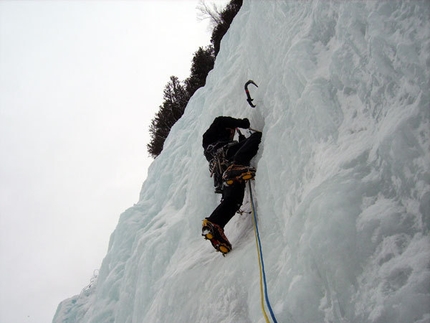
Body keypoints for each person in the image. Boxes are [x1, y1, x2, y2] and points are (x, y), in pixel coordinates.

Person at [201, 116, 262, 254]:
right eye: (232, 131)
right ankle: (236, 167)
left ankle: (215, 224)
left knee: (233, 200)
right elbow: (220, 120)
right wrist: (241, 123)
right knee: (257, 137)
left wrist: (241, 143)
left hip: (222, 172)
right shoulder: (211, 135)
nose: (232, 133)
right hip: (227, 157)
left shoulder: (209, 148)